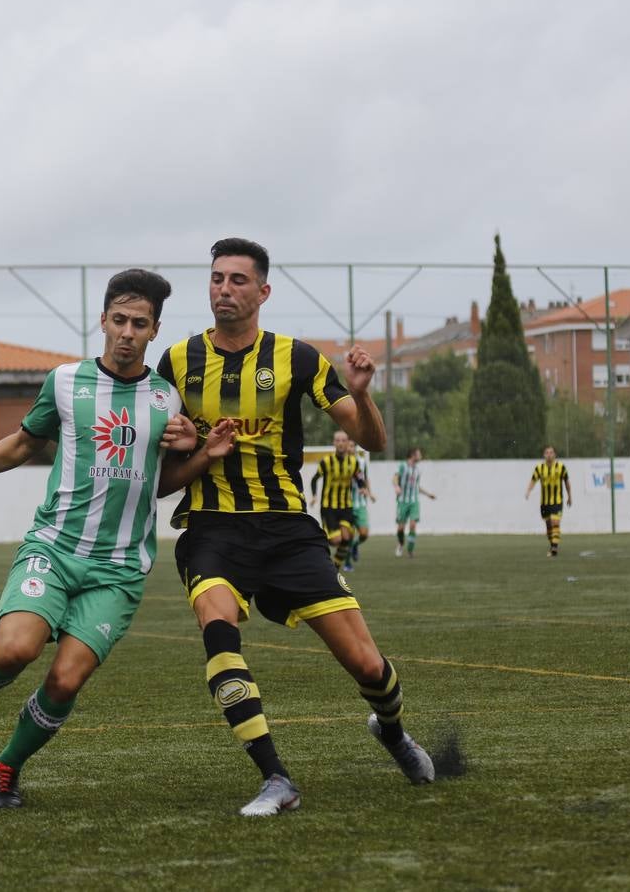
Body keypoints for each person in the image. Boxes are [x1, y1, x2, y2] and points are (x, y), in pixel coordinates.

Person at [0, 268, 235, 809]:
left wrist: (202, 455)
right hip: (55, 549)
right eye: (119, 320)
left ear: (155, 330)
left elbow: (161, 483)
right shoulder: (64, 382)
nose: (127, 332)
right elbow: (22, 445)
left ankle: (7, 768)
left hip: (119, 569)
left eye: (140, 323)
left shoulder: (167, 401)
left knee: (64, 682)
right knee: (16, 649)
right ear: (102, 320)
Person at [156, 237, 435, 818]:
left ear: (263, 291)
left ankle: (392, 731)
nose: (223, 289)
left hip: (288, 531)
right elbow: (161, 482)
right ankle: (276, 778)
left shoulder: (298, 358)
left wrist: (363, 398)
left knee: (366, 665)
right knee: (217, 623)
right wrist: (197, 454)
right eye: (215, 279)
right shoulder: (176, 364)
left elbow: (372, 441)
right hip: (212, 530)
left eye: (236, 280)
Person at [309, 430, 367, 573]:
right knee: (336, 541)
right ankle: (319, 543)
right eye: (338, 440)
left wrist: (362, 488)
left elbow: (359, 478)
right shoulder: (326, 462)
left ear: (348, 444)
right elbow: (315, 478)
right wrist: (315, 495)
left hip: (346, 506)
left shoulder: (353, 462)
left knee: (346, 538)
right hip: (329, 507)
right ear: (334, 443)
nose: (341, 443)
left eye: (343, 440)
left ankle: (334, 569)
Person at [526, 445, 572, 557]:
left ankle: (554, 547)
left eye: (551, 452)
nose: (549, 455)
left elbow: (566, 482)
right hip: (544, 503)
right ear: (544, 455)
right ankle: (552, 545)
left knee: (555, 522)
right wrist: (528, 491)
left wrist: (570, 496)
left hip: (557, 501)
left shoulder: (561, 467)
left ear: (555, 454)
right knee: (548, 526)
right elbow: (533, 480)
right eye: (547, 452)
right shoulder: (539, 468)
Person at [393, 447, 436, 558]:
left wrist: (428, 494)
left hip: (414, 501)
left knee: (412, 525)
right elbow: (395, 477)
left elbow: (416, 487)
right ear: (413, 455)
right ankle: (401, 543)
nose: (420, 456)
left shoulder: (418, 470)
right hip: (402, 501)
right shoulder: (402, 466)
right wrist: (397, 486)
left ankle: (410, 550)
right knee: (400, 528)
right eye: (419, 454)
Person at [349, 442, 377, 566]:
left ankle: (355, 546)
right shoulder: (340, 462)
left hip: (360, 503)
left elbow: (365, 479)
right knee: (348, 534)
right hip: (346, 504)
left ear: (354, 448)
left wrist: (370, 493)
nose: (349, 448)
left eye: (351, 446)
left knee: (364, 534)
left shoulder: (361, 462)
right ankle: (347, 563)